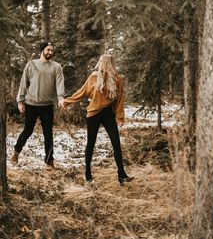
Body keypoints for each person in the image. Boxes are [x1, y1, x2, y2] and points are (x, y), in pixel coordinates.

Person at [62, 54, 134, 186]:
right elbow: (82, 92)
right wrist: (67, 101)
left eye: (101, 61)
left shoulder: (117, 79)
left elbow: (119, 100)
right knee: (91, 143)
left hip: (107, 113)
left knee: (116, 143)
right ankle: (88, 175)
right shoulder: (94, 77)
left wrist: (120, 118)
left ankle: (122, 175)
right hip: (93, 113)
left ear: (106, 63)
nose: (99, 63)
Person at [11, 41, 65, 170]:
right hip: (31, 104)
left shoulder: (56, 67)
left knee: (48, 133)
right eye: (48, 50)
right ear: (42, 50)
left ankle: (49, 161)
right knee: (28, 130)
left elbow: (59, 83)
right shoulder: (31, 65)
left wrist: (61, 97)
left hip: (47, 105)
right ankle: (16, 153)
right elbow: (23, 83)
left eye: (52, 50)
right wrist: (20, 101)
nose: (50, 52)